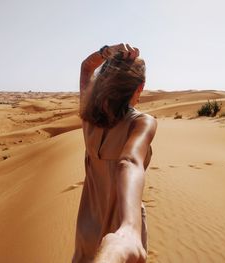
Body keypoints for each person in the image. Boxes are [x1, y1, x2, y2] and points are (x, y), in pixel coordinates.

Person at [72, 43, 157, 263]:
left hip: (87, 227)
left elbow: (86, 68)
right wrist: (129, 228)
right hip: (122, 231)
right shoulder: (141, 123)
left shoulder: (89, 117)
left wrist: (106, 52)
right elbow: (130, 161)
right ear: (140, 87)